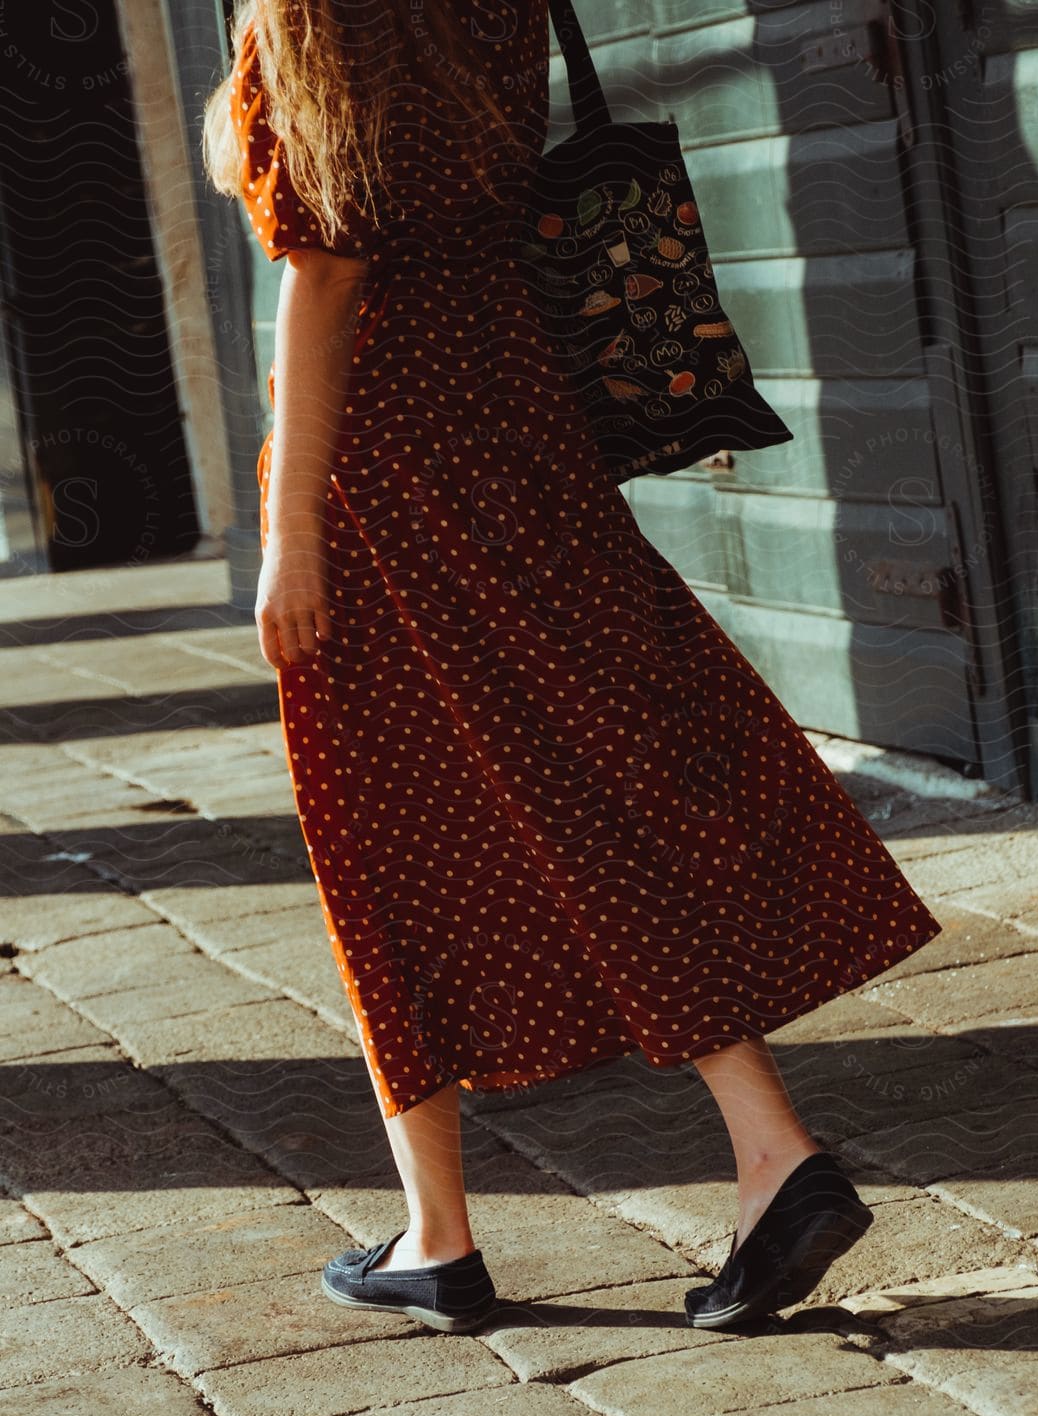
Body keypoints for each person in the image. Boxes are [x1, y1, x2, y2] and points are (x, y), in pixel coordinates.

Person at [203, 0, 941, 1337]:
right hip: (517, 431)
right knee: (606, 783)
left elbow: (323, 276)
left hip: (387, 477)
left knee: (388, 835)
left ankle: (442, 1238)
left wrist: (289, 532)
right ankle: (769, 1152)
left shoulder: (312, 27)